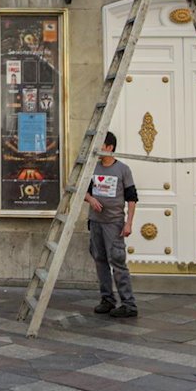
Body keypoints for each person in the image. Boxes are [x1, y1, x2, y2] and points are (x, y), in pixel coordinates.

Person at [85, 132, 139, 318]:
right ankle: (107, 299)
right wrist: (91, 199)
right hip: (96, 222)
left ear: (109, 147)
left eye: (101, 145)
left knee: (117, 261)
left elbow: (132, 198)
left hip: (114, 223)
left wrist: (129, 223)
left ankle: (128, 304)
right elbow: (82, 191)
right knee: (100, 260)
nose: (97, 149)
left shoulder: (123, 169)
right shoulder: (93, 168)